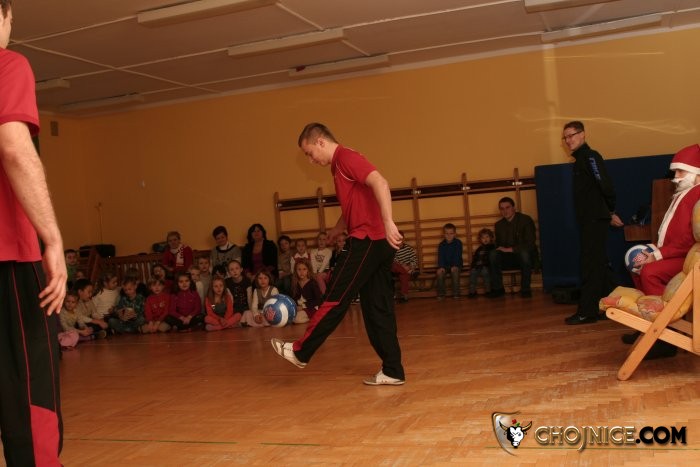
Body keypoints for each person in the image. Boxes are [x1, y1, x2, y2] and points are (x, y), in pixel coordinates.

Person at [271, 123, 405, 386]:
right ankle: (393, 370)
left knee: (334, 297)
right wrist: (337, 229)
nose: (311, 160)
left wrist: (389, 221)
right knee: (377, 308)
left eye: (309, 153)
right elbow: (355, 205)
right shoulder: (339, 166)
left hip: (366, 240)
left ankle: (300, 352)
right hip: (379, 244)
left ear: (321, 142)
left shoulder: (345, 157)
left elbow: (380, 182)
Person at [1, 7, 68, 457]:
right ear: (5, 14)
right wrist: (53, 239)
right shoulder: (7, 64)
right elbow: (14, 148)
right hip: (9, 258)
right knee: (30, 390)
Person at [621, 144, 700, 357]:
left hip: (685, 256)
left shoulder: (696, 194)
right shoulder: (685, 193)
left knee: (650, 272)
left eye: (680, 172)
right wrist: (654, 249)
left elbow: (689, 239)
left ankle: (664, 336)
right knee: (637, 266)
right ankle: (646, 324)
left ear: (694, 172)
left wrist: (657, 255)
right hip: (675, 253)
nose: (675, 177)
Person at [561, 121, 623, 324]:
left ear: (583, 135)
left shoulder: (590, 156)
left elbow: (605, 185)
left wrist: (610, 211)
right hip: (590, 221)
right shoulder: (580, 160)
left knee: (590, 265)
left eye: (571, 135)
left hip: (595, 221)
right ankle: (619, 305)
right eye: (565, 137)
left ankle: (587, 311)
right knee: (600, 266)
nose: (568, 140)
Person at [487, 197, 537, 299]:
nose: (505, 211)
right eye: (502, 208)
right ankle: (498, 288)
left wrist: (510, 249)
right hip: (508, 257)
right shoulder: (498, 225)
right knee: (493, 254)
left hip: (524, 255)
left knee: (524, 254)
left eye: (507, 207)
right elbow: (499, 245)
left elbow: (530, 243)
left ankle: (526, 289)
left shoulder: (526, 220)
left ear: (514, 208)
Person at [436, 223, 463, 300]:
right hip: (445, 266)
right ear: (444, 234)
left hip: (456, 265)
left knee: (455, 271)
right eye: (447, 233)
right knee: (439, 273)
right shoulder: (441, 245)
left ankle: (456, 293)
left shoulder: (458, 243)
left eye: (451, 233)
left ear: (455, 234)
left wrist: (455, 265)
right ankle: (441, 294)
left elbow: (457, 255)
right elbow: (440, 257)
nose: (449, 235)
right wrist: (441, 267)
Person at [290, 258, 322, 323]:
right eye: (299, 269)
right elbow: (294, 297)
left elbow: (318, 300)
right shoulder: (295, 282)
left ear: (308, 270)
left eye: (304, 269)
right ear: (296, 271)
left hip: (311, 307)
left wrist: (303, 306)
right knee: (289, 315)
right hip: (299, 308)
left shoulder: (312, 283)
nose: (301, 272)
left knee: (296, 319)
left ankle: (315, 317)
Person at [468, 228, 495, 298]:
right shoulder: (479, 249)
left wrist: (484, 264)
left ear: (491, 237)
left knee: (485, 272)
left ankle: (488, 291)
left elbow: (492, 259)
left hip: (486, 266)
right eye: (483, 238)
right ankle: (472, 292)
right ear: (480, 239)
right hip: (477, 266)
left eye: (487, 237)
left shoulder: (492, 247)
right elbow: (475, 259)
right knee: (473, 272)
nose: (485, 239)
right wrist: (473, 266)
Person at [391, 232, 418, 303]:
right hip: (396, 269)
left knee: (404, 276)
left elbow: (414, 259)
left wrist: (411, 266)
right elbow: (394, 260)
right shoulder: (393, 249)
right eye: (397, 239)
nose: (399, 241)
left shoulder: (409, 249)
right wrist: (403, 266)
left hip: (406, 269)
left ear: (404, 240)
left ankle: (405, 297)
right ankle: (410, 272)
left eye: (401, 239)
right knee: (394, 264)